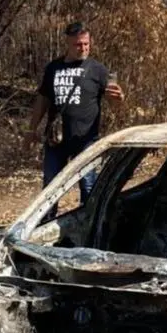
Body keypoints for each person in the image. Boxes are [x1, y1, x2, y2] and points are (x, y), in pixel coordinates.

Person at [26, 21, 123, 201]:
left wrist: (118, 98)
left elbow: (113, 102)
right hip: (56, 140)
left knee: (88, 185)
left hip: (86, 140)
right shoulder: (53, 68)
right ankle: (46, 222)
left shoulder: (98, 70)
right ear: (68, 43)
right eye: (78, 44)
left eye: (86, 44)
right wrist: (31, 130)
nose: (83, 48)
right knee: (50, 187)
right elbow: (43, 99)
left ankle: (87, 226)